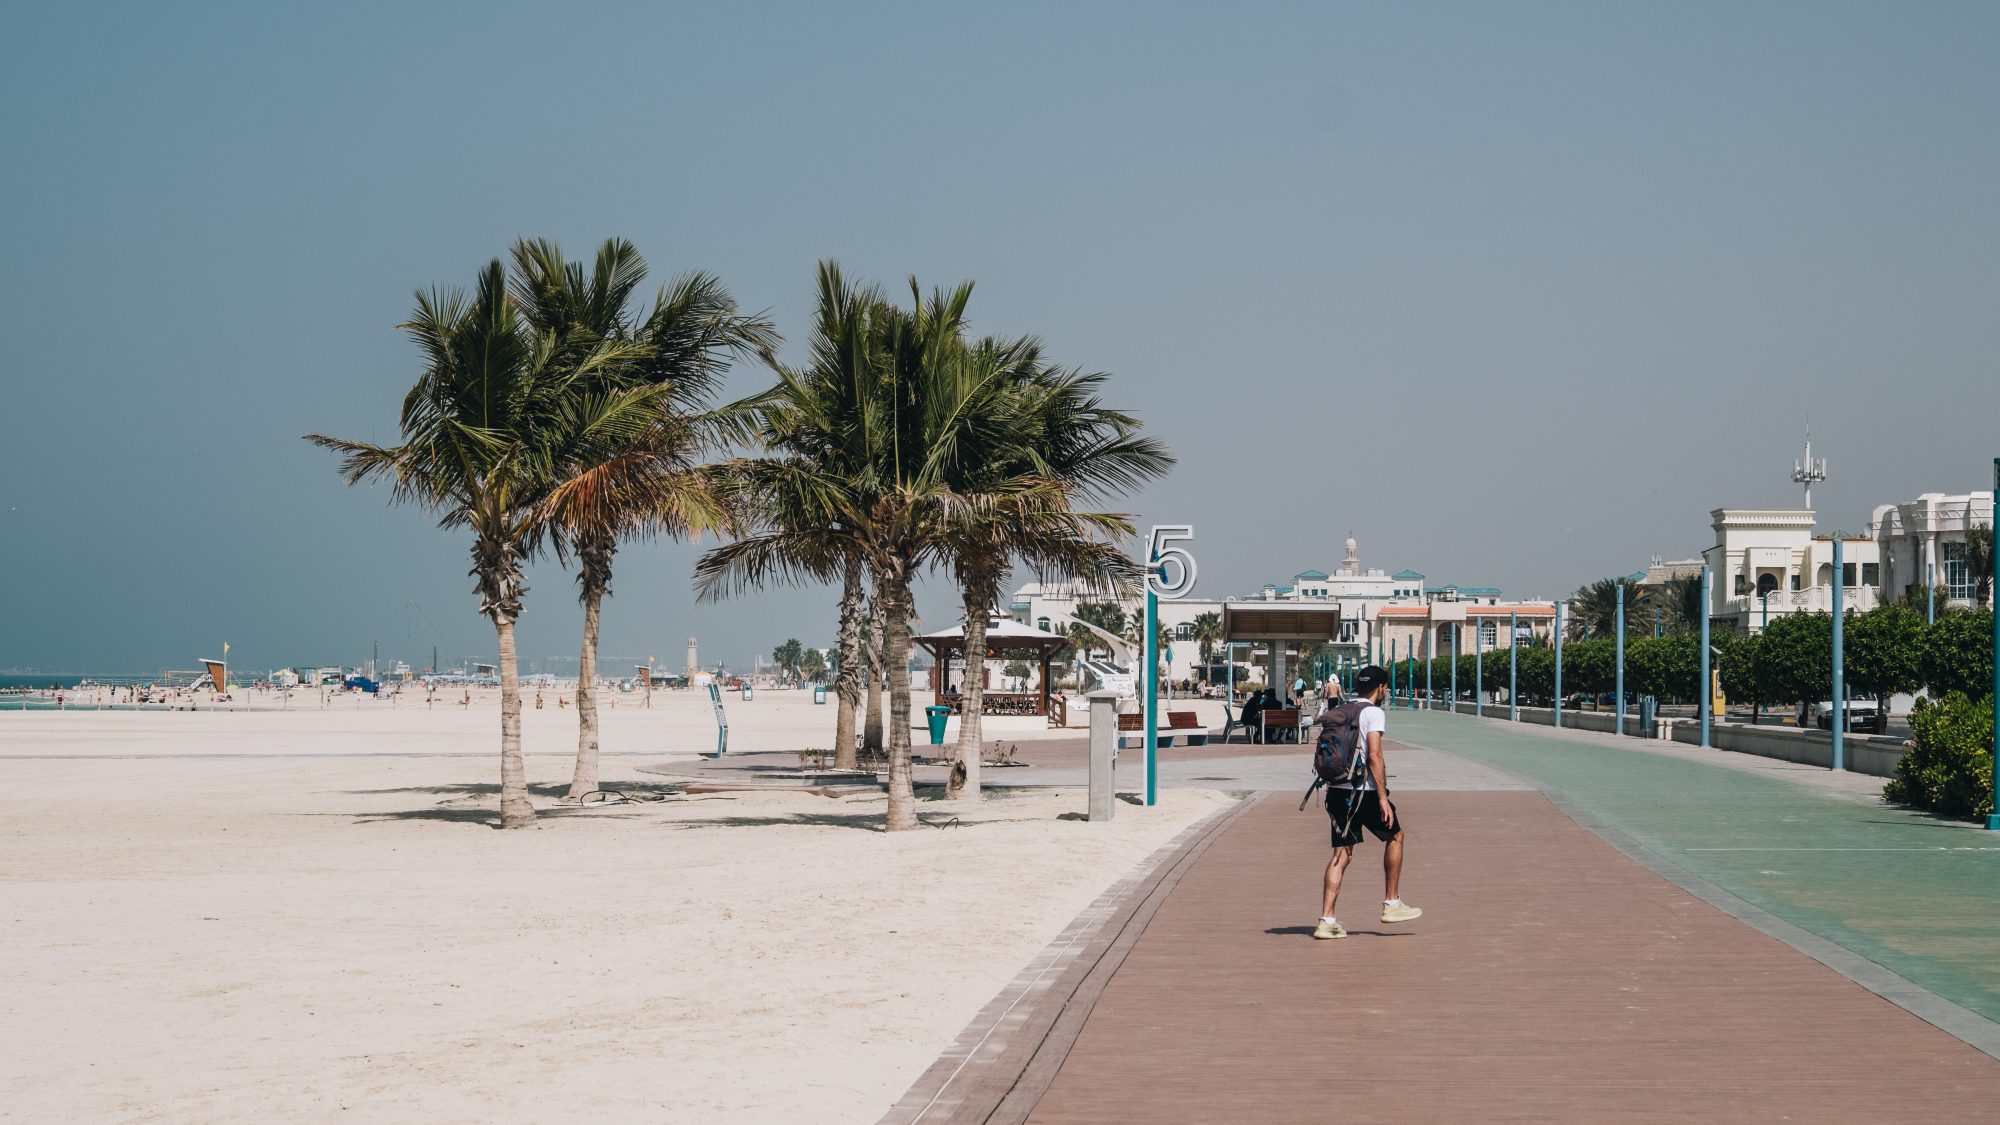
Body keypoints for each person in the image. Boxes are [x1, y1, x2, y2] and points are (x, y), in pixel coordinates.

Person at [1315, 665, 1422, 940]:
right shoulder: (1373, 713)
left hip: (1336, 790)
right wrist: (1383, 798)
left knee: (1341, 855)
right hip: (1364, 791)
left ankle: (1327, 921)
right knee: (1396, 836)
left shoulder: (1343, 708)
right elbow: (1374, 756)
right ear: (1381, 688)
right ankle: (1392, 902)